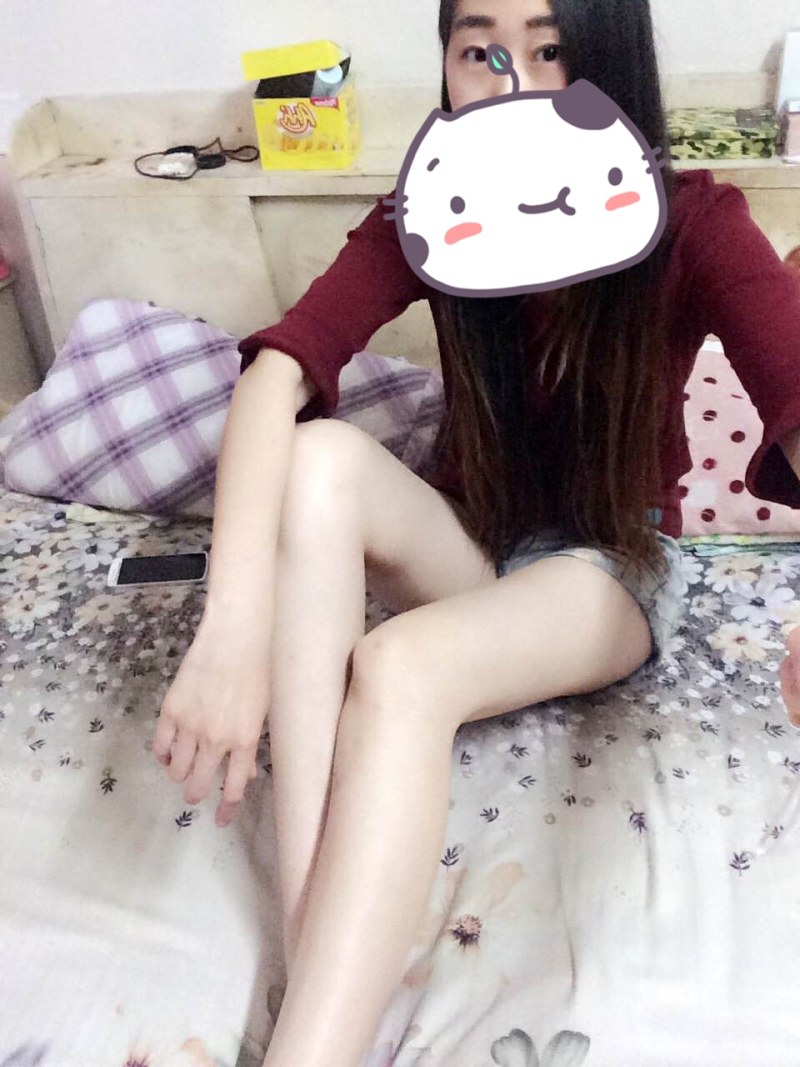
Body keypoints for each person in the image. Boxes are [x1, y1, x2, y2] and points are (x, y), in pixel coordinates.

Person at [151, 1, 800, 1064]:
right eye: (480, 52)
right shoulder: (433, 204)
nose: (513, 83)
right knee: (317, 459)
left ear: (608, 59)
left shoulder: (692, 218)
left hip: (607, 562)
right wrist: (231, 627)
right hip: (472, 539)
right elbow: (276, 375)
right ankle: (320, 953)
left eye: (550, 49)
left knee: (396, 665)